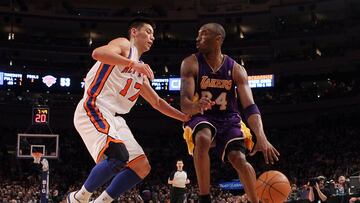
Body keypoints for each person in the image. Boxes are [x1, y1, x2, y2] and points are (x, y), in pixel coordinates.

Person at [67, 18, 190, 203]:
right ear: (134, 32)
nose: (152, 37)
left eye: (153, 34)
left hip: (115, 118)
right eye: (148, 31)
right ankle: (78, 198)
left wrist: (185, 117)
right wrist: (133, 64)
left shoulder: (140, 71)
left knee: (141, 166)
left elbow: (157, 102)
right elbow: (97, 53)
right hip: (94, 106)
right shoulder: (124, 46)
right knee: (119, 156)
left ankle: (101, 202)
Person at [180, 23, 280, 203]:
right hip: (202, 114)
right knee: (202, 137)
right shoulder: (191, 63)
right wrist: (196, 106)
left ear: (218, 39)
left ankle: (254, 201)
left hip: (229, 118)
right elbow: (184, 104)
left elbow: (249, 106)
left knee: (239, 159)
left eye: (203, 35)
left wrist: (261, 136)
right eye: (198, 35)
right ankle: (205, 197)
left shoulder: (236, 69)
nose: (197, 38)